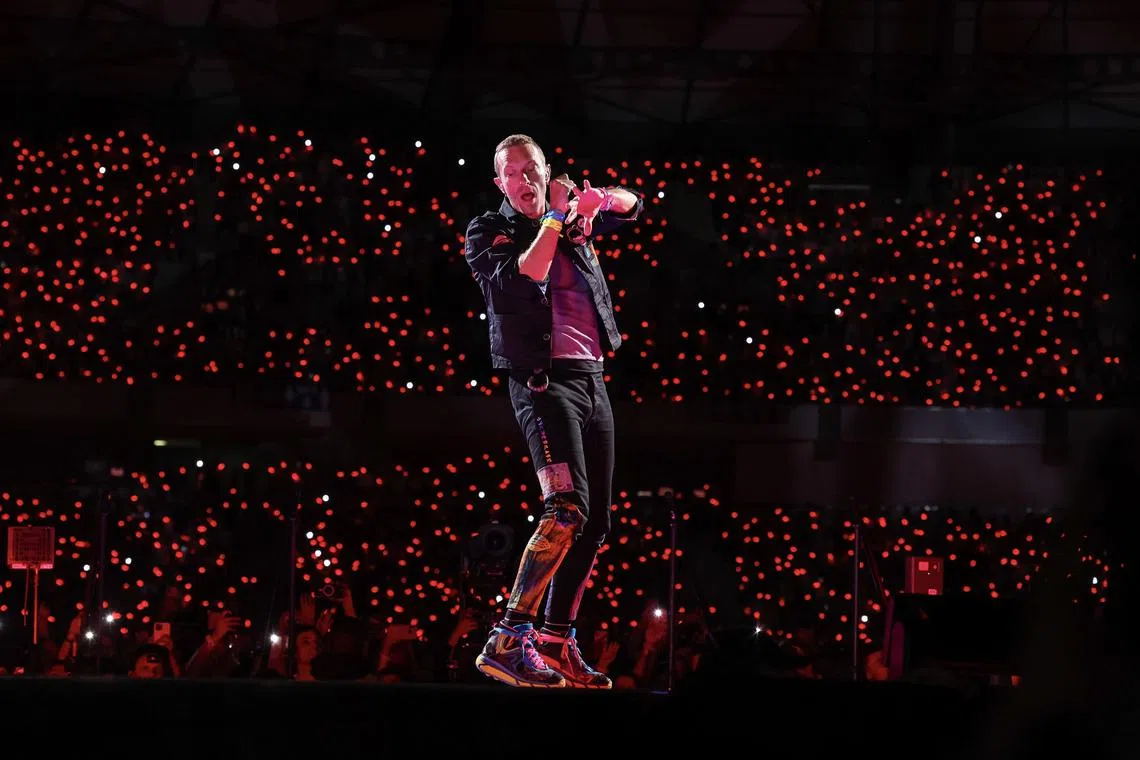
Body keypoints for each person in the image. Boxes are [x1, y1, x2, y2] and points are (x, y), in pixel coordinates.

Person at [463, 134, 644, 688]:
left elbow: (636, 205)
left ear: (546, 170)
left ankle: (555, 640)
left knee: (595, 524)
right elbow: (529, 274)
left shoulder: (571, 219)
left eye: (532, 169)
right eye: (511, 173)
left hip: (592, 380)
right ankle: (508, 639)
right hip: (543, 386)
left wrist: (599, 202)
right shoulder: (487, 231)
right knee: (566, 508)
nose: (524, 179)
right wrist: (560, 216)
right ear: (500, 183)